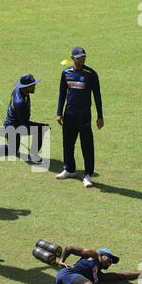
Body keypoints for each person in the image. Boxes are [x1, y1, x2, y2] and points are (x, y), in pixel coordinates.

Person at [56, 47, 104, 187]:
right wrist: (59, 113)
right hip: (69, 115)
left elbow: (97, 96)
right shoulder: (66, 73)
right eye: (78, 58)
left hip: (84, 116)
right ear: (72, 58)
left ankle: (88, 174)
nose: (81, 60)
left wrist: (100, 116)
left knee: (87, 145)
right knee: (68, 143)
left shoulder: (91, 74)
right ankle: (69, 169)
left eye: (83, 57)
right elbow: (62, 94)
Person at [41, 245, 142, 284]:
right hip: (68, 274)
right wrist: (62, 260)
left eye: (112, 262)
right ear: (102, 254)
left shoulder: (98, 275)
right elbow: (70, 248)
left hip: (68, 283)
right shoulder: (93, 255)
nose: (110, 263)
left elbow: (120, 276)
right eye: (110, 258)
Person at [4, 73, 49, 163]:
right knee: (40, 129)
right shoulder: (21, 103)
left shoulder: (17, 90)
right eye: (32, 86)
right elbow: (24, 125)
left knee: (12, 150)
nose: (34, 87)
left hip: (11, 125)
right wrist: (42, 125)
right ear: (25, 87)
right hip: (14, 127)